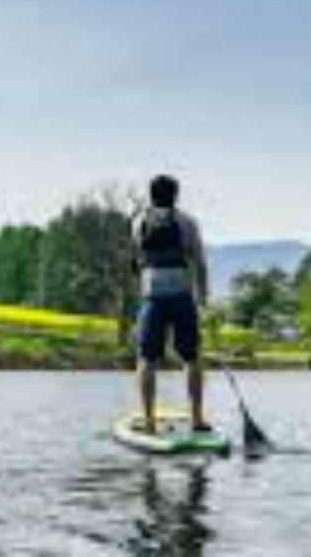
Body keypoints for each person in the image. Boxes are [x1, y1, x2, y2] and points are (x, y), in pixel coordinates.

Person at [133, 174, 211, 433]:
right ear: (175, 196)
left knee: (146, 359)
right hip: (181, 294)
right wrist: (202, 297)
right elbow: (198, 261)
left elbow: (140, 258)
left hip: (152, 295)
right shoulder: (187, 223)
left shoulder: (139, 222)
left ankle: (149, 420)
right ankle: (197, 419)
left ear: (151, 195)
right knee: (192, 357)